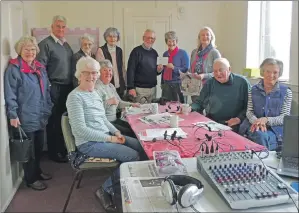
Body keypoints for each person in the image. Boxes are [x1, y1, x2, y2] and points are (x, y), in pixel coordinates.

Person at [66, 56, 147, 212]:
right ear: (79, 75)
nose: (91, 76)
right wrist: (111, 138)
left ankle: (128, 181)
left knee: (140, 146)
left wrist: (116, 131)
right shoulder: (74, 97)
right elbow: (80, 130)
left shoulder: (94, 93)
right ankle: (105, 189)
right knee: (133, 156)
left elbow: (103, 119)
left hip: (104, 136)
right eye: (86, 72)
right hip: (89, 143)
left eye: (94, 73)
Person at [4, 36, 53, 190]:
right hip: (25, 115)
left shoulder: (39, 67)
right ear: (20, 50)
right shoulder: (14, 69)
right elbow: (10, 93)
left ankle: (37, 171)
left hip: (40, 114)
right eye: (26, 49)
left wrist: (48, 106)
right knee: (29, 150)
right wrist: (13, 114)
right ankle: (30, 179)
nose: (30, 52)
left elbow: (46, 89)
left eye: (33, 49)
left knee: (39, 147)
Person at [37, 15, 73, 163]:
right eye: (58, 26)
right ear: (51, 27)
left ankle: (62, 148)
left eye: (63, 26)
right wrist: (48, 87)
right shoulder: (45, 44)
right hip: (54, 87)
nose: (60, 29)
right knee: (54, 121)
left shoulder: (65, 45)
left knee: (63, 120)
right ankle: (54, 153)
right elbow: (40, 68)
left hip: (67, 87)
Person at [239, 58, 292, 151]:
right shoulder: (253, 89)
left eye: (275, 72)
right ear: (263, 72)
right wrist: (257, 122)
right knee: (259, 134)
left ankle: (262, 162)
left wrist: (266, 120)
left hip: (275, 129)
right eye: (268, 71)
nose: (271, 75)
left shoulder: (287, 92)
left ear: (279, 74)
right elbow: (249, 112)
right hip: (253, 125)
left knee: (261, 136)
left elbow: (284, 117)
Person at [191, 58, 250, 133]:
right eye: (215, 71)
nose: (218, 73)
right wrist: (190, 108)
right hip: (212, 123)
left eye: (221, 70)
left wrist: (239, 119)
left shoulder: (242, 83)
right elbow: (199, 102)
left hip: (233, 124)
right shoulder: (210, 83)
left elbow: (249, 107)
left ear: (229, 69)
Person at [95, 59, 139, 138]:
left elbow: (119, 103)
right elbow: (95, 111)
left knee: (135, 128)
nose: (108, 73)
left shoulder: (111, 86)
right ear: (99, 73)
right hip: (107, 124)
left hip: (115, 119)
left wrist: (132, 104)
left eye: (110, 70)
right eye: (104, 70)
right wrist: (109, 102)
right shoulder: (96, 88)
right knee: (132, 134)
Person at [126, 29, 164, 103]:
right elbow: (130, 70)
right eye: (148, 37)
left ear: (154, 40)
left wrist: (159, 70)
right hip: (139, 90)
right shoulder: (136, 51)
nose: (150, 40)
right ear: (143, 38)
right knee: (141, 112)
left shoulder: (154, 53)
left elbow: (155, 72)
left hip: (153, 89)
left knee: (152, 112)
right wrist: (131, 88)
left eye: (152, 38)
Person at [189, 27, 221, 103]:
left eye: (207, 35)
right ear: (199, 38)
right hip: (194, 87)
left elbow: (219, 73)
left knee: (207, 112)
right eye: (202, 35)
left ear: (211, 37)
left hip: (209, 87)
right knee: (195, 110)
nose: (205, 37)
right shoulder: (194, 52)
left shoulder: (214, 52)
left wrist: (204, 76)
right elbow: (191, 69)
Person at [96, 27, 126, 98]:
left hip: (119, 84)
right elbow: (100, 71)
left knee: (120, 105)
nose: (112, 39)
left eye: (114, 36)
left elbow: (122, 68)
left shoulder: (119, 50)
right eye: (110, 36)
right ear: (106, 38)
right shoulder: (101, 50)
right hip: (107, 85)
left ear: (117, 38)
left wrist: (125, 84)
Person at [161, 31, 189, 103]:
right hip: (166, 85)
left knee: (179, 108)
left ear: (176, 41)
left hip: (179, 85)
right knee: (166, 107)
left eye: (173, 41)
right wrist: (162, 83)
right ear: (166, 42)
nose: (171, 43)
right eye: (169, 41)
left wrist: (174, 68)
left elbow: (186, 69)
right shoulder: (165, 54)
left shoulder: (183, 53)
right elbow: (163, 70)